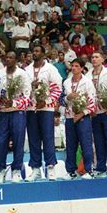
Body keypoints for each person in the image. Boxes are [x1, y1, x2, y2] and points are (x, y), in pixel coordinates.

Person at [24, 45, 62, 182]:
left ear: (43, 53)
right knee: (33, 139)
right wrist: (31, 86)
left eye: (37, 51)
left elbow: (58, 88)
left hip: (46, 109)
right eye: (33, 51)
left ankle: (51, 167)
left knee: (47, 138)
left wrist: (46, 102)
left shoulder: (51, 69)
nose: (34, 53)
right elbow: (21, 89)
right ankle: (35, 169)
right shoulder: (26, 70)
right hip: (31, 109)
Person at [0, 51, 30, 184]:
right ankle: (0, 171)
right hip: (3, 113)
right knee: (0, 142)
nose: (8, 60)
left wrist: (13, 102)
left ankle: (16, 171)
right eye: (7, 58)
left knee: (18, 142)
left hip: (17, 112)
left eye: (11, 58)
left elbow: (27, 97)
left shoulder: (23, 74)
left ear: (16, 60)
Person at [61, 58, 96, 179]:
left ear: (82, 68)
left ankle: (89, 170)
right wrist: (67, 98)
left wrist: (82, 114)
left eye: (77, 66)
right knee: (70, 145)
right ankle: (71, 171)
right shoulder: (66, 82)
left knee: (86, 144)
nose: (74, 68)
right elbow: (61, 100)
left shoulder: (87, 82)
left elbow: (92, 102)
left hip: (83, 118)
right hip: (69, 117)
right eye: (73, 66)